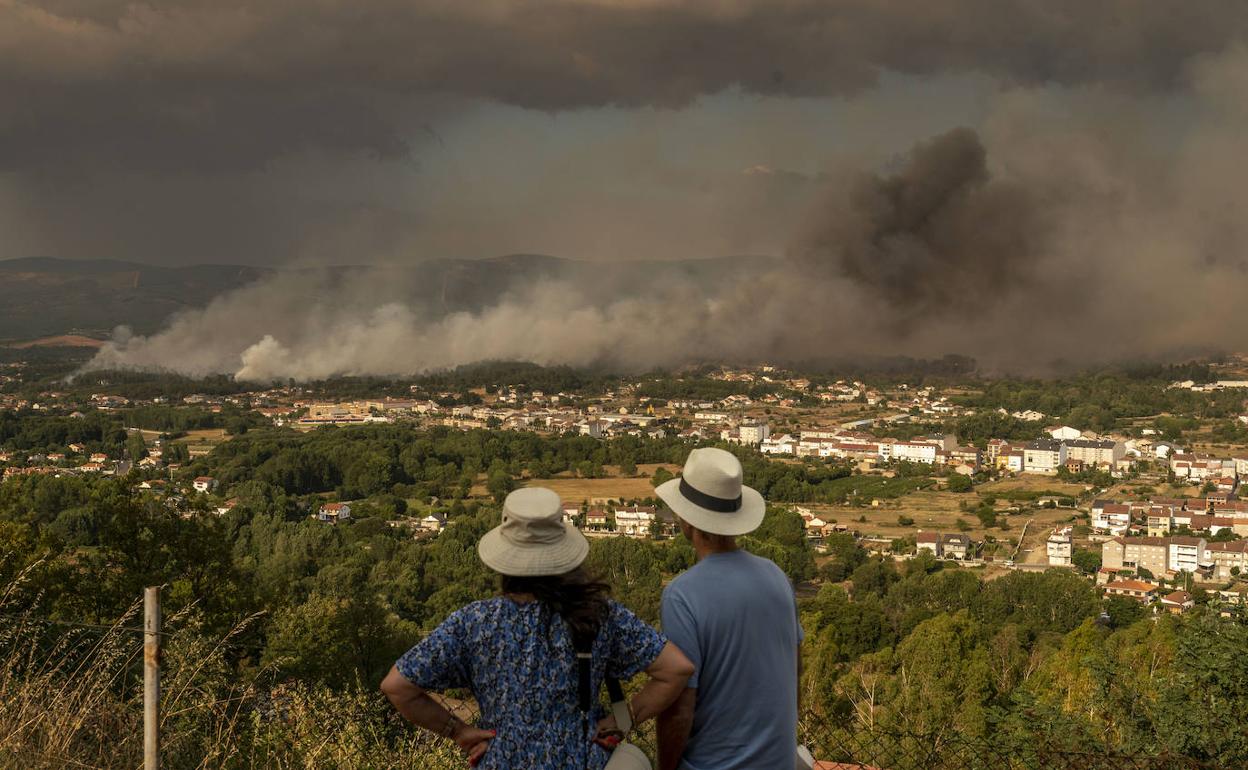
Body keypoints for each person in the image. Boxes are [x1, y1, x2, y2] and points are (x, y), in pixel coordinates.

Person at [381, 486, 694, 769]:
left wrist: (458, 731)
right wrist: (623, 719)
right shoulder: (597, 615)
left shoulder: (474, 622)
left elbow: (398, 686)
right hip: (582, 760)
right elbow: (676, 669)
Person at [654, 447, 804, 770]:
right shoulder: (777, 577)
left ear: (686, 521)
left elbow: (680, 710)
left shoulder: (682, 597)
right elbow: (795, 671)